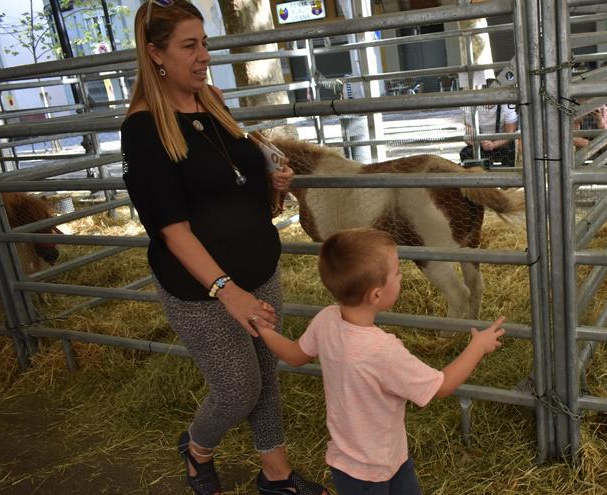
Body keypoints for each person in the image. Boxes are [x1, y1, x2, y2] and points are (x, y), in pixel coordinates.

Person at [120, 2, 327, 494]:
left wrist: (272, 181)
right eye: (188, 46)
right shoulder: (144, 129)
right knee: (239, 388)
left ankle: (276, 477)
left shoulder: (211, 100)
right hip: (200, 288)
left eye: (205, 43)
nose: (203, 56)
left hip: (259, 266)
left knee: (264, 374)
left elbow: (233, 181)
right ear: (156, 54)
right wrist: (226, 290)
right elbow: (171, 229)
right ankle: (197, 447)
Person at [255, 228, 506, 494]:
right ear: (376, 295)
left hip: (365, 463)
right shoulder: (383, 351)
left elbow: (294, 355)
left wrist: (264, 330)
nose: (400, 277)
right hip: (373, 470)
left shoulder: (327, 319)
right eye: (397, 273)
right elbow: (442, 386)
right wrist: (477, 348)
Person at [460, 80, 519, 168]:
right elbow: (469, 131)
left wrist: (494, 144)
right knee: (465, 153)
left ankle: (507, 177)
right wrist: (472, 140)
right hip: (481, 144)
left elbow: (510, 133)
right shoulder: (472, 107)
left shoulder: (505, 106)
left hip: (501, 143)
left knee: (509, 149)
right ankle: (477, 178)